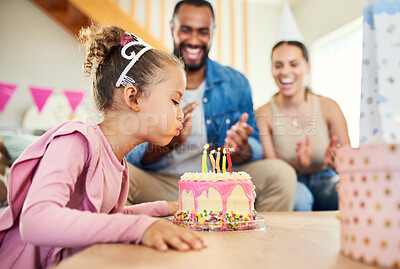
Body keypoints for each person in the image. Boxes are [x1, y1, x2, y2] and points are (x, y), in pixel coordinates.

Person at [0, 24, 207, 268]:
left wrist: (169, 208)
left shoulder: (118, 163)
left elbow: (109, 220)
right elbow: (35, 221)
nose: (181, 114)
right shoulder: (75, 140)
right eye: (175, 101)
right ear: (133, 97)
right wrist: (141, 227)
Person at [126, 0, 297, 212]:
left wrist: (240, 148)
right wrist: (170, 143)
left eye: (203, 32)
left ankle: (255, 242)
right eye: (186, 30)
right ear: (172, 28)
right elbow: (132, 154)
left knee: (281, 174)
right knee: (117, 174)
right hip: (164, 185)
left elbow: (256, 148)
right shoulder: (148, 79)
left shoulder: (236, 83)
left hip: (220, 185)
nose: (194, 40)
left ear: (213, 32)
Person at [256, 41, 351, 211]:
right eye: (278, 65)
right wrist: (298, 164)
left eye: (293, 64)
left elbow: (349, 159)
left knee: (344, 193)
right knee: (301, 199)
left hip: (326, 178)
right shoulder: (263, 114)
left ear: (307, 67)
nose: (285, 72)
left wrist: (336, 161)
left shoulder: (329, 106)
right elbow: (272, 168)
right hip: (290, 182)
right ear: (271, 69)